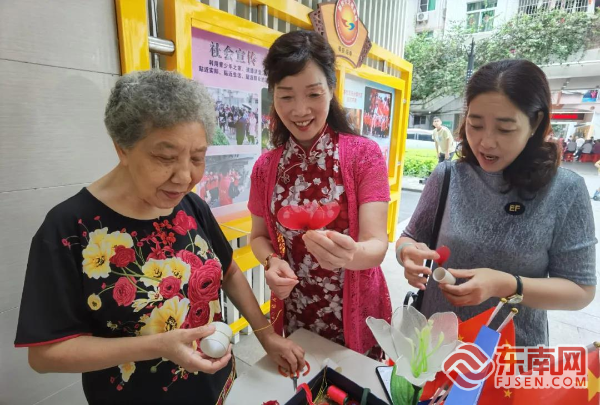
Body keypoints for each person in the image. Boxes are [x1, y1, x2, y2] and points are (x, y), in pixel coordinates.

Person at [14, 70, 304, 405]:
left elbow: (229, 271)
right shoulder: (69, 228)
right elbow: (45, 354)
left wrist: (266, 335)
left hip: (220, 389)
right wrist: (156, 346)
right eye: (165, 158)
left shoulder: (190, 206)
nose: (184, 176)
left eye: (197, 158)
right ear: (122, 148)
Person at [395, 59, 596, 347]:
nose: (486, 142)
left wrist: (508, 285)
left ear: (535, 123)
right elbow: (410, 237)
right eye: (475, 125)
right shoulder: (448, 176)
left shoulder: (565, 190)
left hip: (511, 353)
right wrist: (406, 253)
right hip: (436, 346)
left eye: (504, 129)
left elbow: (580, 291)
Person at [248, 30, 392, 356]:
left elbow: (377, 245)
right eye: (286, 97)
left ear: (331, 89)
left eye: (313, 94)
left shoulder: (363, 155)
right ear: (273, 96)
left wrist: (350, 255)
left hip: (356, 312)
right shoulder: (265, 167)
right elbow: (258, 237)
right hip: (298, 310)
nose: (300, 110)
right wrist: (271, 261)